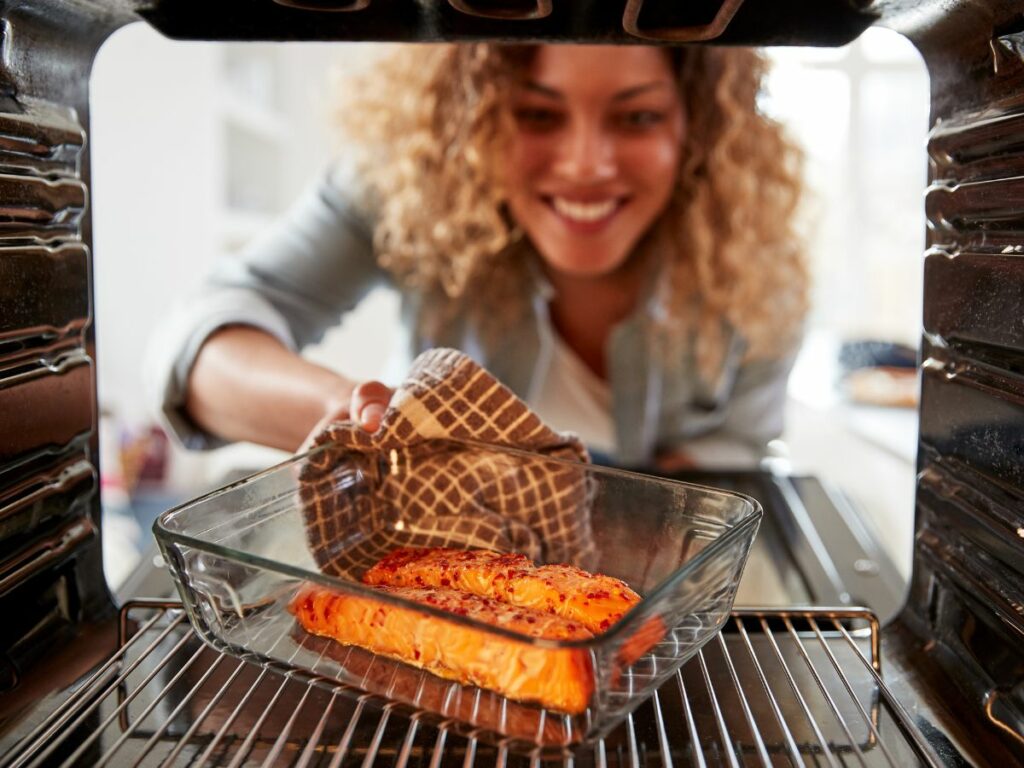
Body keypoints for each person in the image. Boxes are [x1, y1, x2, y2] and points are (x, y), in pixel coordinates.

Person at [148, 43, 808, 469]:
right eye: (537, 115)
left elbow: (735, 459)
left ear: (694, 127)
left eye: (637, 118)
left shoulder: (752, 263)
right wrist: (356, 416)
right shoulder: (406, 189)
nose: (585, 165)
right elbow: (196, 344)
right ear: (475, 120)